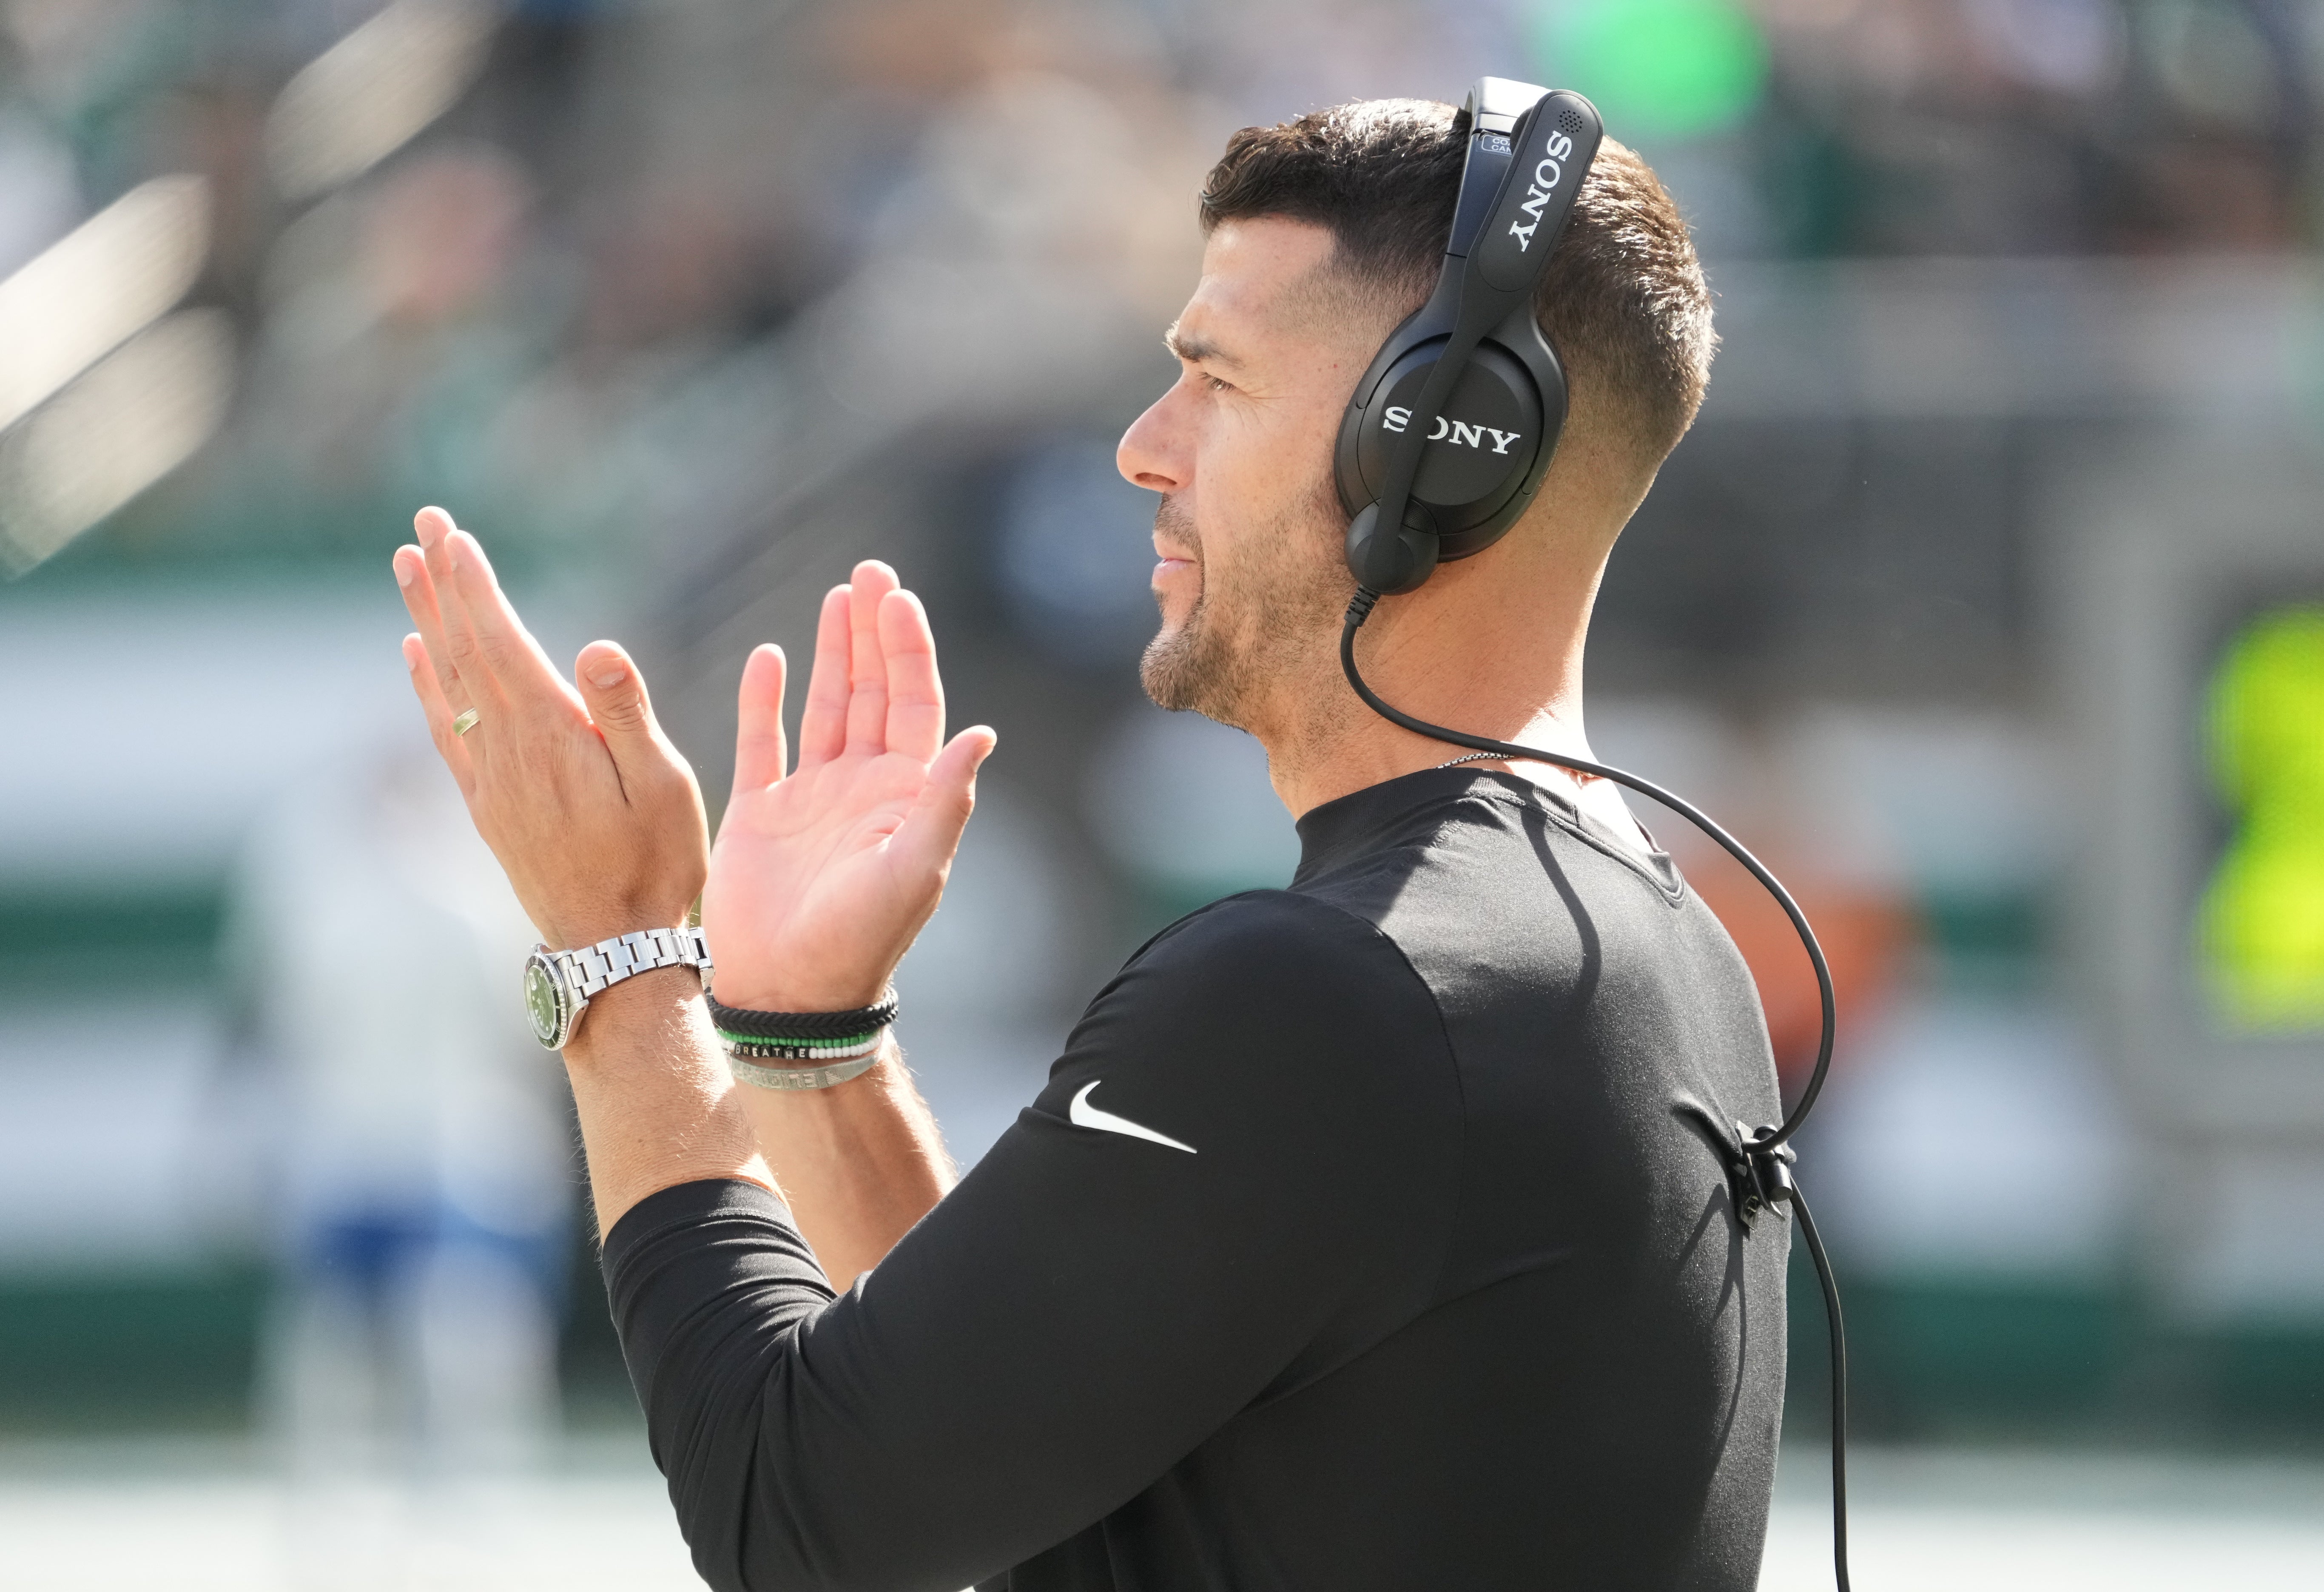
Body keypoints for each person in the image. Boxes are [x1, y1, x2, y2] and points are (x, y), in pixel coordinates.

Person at [388, 96, 1785, 1591]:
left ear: (1439, 449)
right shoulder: (1656, 941)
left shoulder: (1330, 994)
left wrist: (621, 964)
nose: (1139, 448)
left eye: (1214, 380)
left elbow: (794, 1522)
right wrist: (809, 1042)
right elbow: (1017, 1470)